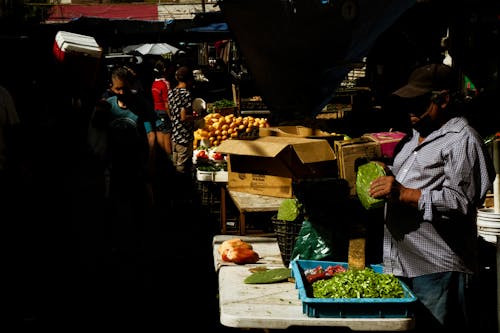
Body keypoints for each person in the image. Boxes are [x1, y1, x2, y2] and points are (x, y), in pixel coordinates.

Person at [368, 63, 496, 332]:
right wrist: (387, 174)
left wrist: (403, 193)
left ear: (444, 99)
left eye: (419, 102)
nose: (411, 110)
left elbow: (459, 202)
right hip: (403, 263)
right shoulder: (414, 137)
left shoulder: (462, 141)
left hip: (436, 268)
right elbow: (416, 179)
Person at [168, 66, 195, 176]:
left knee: (175, 164)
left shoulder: (171, 92)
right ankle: (181, 189)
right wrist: (198, 117)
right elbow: (183, 117)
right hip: (184, 137)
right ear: (189, 79)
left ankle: (175, 187)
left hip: (174, 135)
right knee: (181, 168)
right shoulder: (186, 94)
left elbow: (169, 109)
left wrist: (175, 120)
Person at [151, 59, 172, 156]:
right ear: (165, 70)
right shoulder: (165, 84)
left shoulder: (154, 83)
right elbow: (167, 102)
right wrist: (171, 116)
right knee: (167, 135)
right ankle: (169, 160)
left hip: (156, 111)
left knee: (159, 132)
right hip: (164, 111)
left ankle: (161, 159)